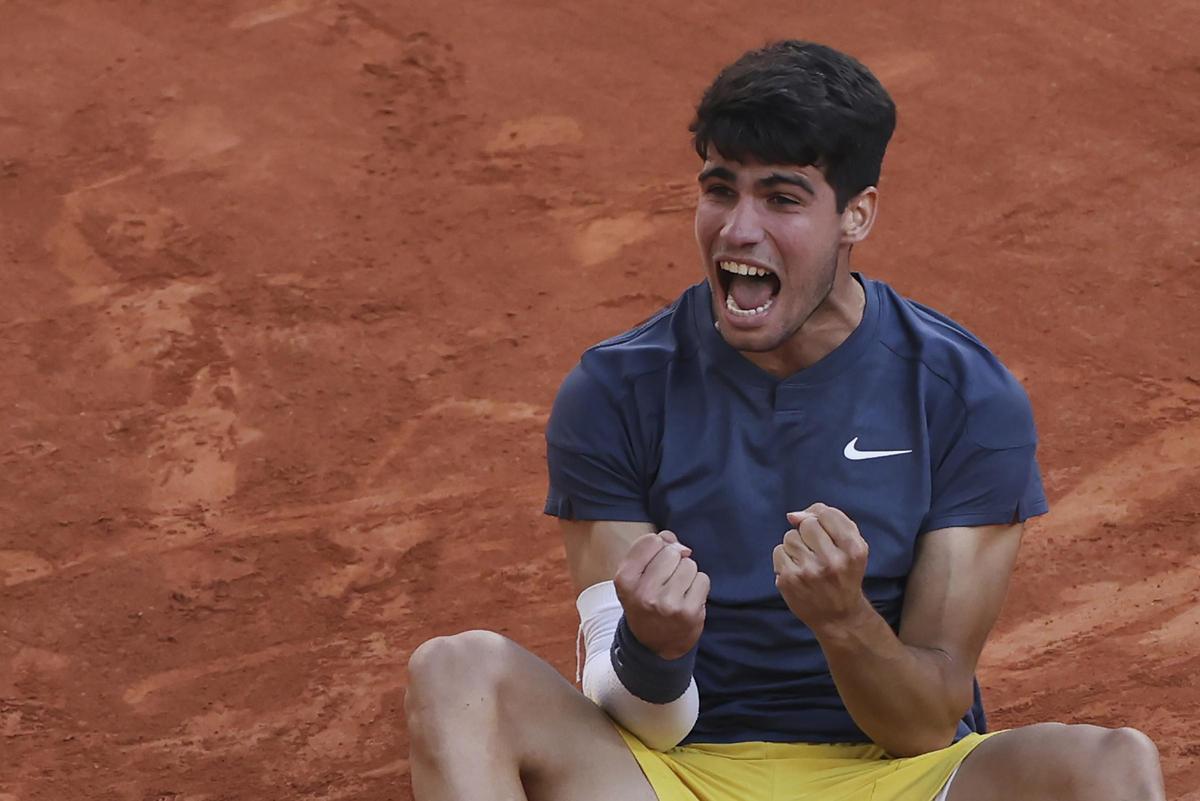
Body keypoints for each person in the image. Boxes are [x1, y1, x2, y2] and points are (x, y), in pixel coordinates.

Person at [404, 40, 1166, 801]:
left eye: (781, 197)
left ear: (856, 215)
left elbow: (927, 722)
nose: (738, 229)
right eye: (719, 189)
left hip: (895, 775)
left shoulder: (963, 395)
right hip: (672, 774)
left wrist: (843, 620)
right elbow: (638, 715)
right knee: (457, 672)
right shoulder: (616, 388)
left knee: (1113, 766)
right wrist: (657, 648)